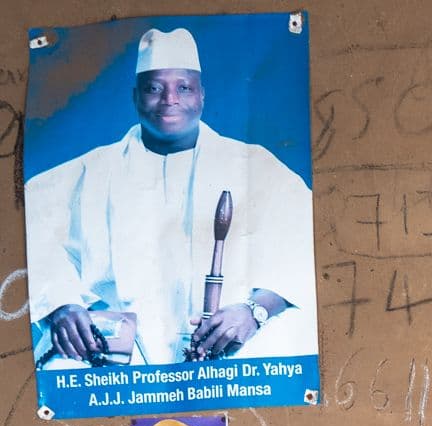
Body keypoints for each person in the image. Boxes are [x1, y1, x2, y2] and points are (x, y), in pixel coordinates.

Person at [27, 26, 317, 367]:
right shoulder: (88, 172)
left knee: (279, 354)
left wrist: (255, 311)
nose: (170, 100)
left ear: (202, 96)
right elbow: (34, 233)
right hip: (117, 344)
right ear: (135, 96)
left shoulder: (256, 166)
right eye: (154, 88)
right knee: (63, 368)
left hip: (231, 335)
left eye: (184, 87)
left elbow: (301, 246)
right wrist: (63, 304)